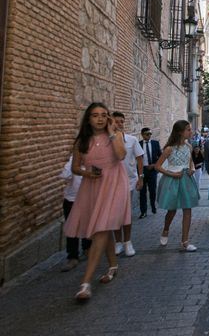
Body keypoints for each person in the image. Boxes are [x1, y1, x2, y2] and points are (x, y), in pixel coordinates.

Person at [64, 102, 131, 301]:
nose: (100, 119)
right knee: (105, 227)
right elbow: (76, 167)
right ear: (88, 118)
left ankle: (85, 283)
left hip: (115, 184)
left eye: (104, 115)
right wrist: (87, 173)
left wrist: (112, 132)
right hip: (93, 185)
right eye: (95, 115)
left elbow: (121, 155)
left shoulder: (115, 136)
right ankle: (113, 265)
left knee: (101, 229)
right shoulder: (81, 141)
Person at [156, 120, 199, 251]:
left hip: (186, 179)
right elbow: (158, 166)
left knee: (188, 209)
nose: (191, 132)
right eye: (188, 129)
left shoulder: (189, 147)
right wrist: (171, 174)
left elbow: (190, 163)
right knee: (172, 209)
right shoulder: (169, 149)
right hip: (173, 179)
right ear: (180, 132)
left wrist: (192, 169)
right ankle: (165, 229)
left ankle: (185, 241)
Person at [111, 112, 144, 257]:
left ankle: (127, 242)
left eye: (121, 122)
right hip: (111, 183)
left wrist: (141, 177)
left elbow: (139, 159)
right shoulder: (107, 141)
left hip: (128, 182)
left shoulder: (132, 140)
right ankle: (117, 242)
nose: (119, 124)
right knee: (115, 214)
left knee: (126, 213)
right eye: (116, 122)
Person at [59, 155, 92, 272]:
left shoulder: (93, 161)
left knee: (88, 225)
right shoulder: (73, 161)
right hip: (71, 200)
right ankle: (73, 256)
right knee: (72, 229)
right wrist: (73, 162)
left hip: (88, 199)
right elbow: (65, 175)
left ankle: (87, 248)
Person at [139, 127, 161, 218]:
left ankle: (153, 206)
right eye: (147, 134)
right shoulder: (138, 144)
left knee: (152, 190)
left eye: (150, 134)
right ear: (142, 135)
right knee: (142, 192)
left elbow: (160, 156)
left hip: (152, 171)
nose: (149, 136)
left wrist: (154, 165)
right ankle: (143, 211)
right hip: (142, 170)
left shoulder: (155, 143)